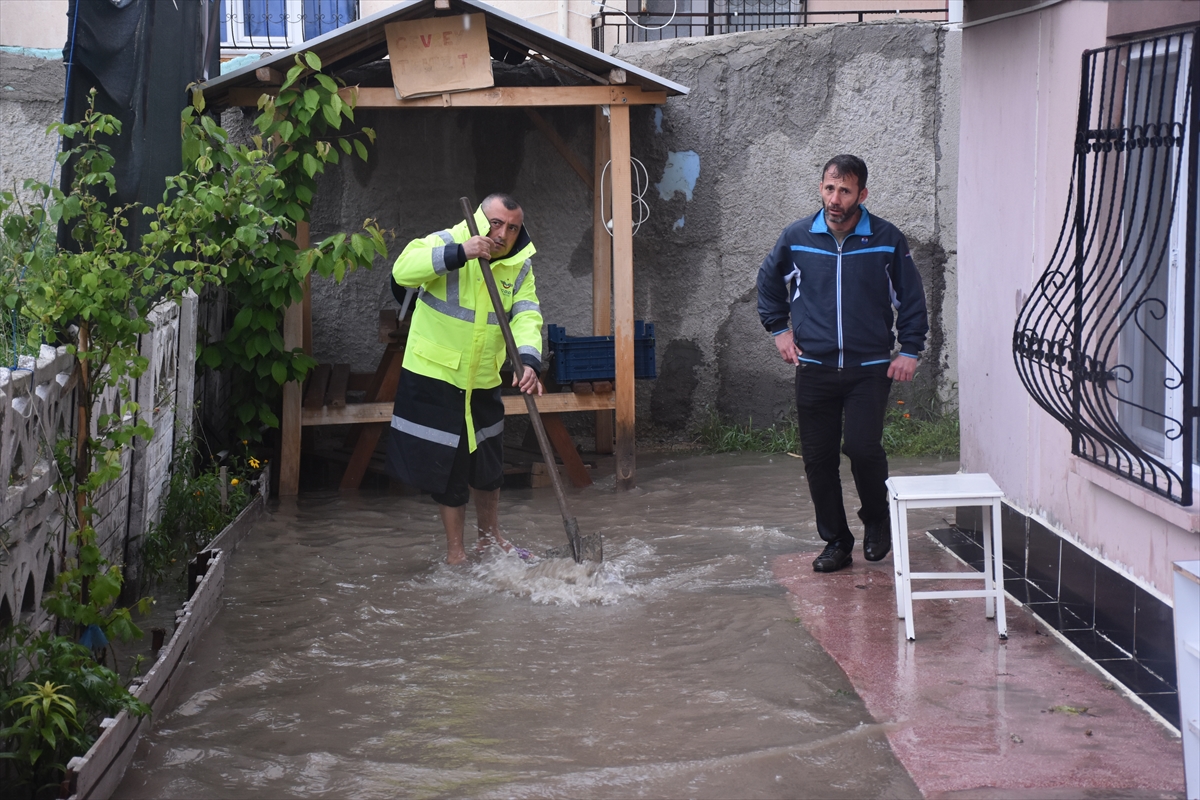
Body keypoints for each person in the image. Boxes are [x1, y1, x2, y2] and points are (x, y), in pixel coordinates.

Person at [756, 155, 928, 573]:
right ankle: (836, 540)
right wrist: (779, 329)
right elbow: (768, 282)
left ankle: (877, 520)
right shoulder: (797, 236)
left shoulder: (886, 239)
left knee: (863, 447)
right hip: (814, 366)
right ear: (821, 188)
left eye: (845, 190)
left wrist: (910, 349)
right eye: (830, 188)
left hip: (868, 367)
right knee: (818, 457)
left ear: (862, 195)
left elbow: (911, 296)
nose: (835, 199)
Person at [386, 193, 543, 565]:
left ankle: (490, 540)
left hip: (484, 379)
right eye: (496, 223)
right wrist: (461, 251)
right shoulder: (444, 241)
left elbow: (527, 315)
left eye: (512, 227)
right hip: (436, 376)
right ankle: (456, 553)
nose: (502, 233)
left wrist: (528, 360)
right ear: (478, 218)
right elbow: (402, 271)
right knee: (449, 468)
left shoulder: (519, 266)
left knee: (489, 466)